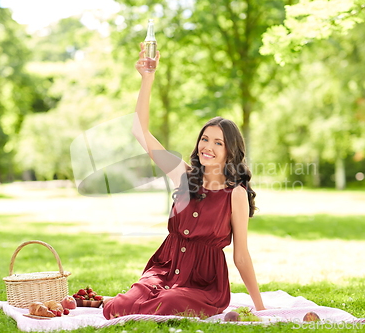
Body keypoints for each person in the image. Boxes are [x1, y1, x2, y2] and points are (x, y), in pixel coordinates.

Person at [102, 42, 266, 320]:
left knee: (167, 304)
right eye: (204, 139)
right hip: (164, 268)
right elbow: (139, 133)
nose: (207, 146)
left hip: (203, 283)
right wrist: (147, 78)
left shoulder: (235, 194)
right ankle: (111, 302)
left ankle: (154, 300)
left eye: (218, 142)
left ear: (230, 151)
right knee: (121, 306)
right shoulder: (183, 174)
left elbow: (241, 256)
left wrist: (260, 308)